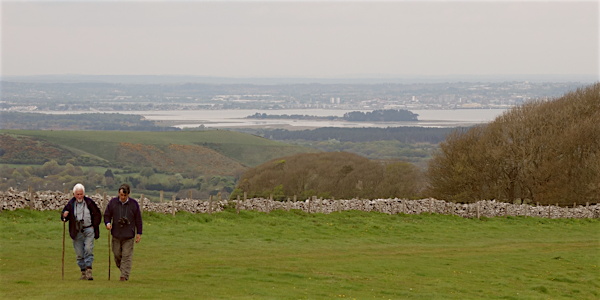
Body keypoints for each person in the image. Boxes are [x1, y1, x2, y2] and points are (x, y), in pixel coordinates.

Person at [61, 183, 102, 280]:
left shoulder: (89, 203)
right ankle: (83, 271)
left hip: (88, 229)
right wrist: (64, 215)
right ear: (74, 194)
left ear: (84, 194)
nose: (79, 196)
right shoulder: (70, 204)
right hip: (76, 231)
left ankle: (89, 271)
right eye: (77, 194)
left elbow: (97, 214)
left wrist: (94, 226)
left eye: (81, 194)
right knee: (79, 254)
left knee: (88, 249)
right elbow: (63, 216)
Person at [104, 183, 143, 281]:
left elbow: (138, 219)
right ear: (118, 193)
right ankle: (123, 269)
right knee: (117, 255)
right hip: (116, 234)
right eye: (121, 195)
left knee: (126, 256)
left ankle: (124, 276)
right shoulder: (113, 203)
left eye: (125, 196)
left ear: (128, 195)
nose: (122, 197)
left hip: (128, 235)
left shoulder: (134, 204)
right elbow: (107, 215)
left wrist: (139, 233)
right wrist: (108, 223)